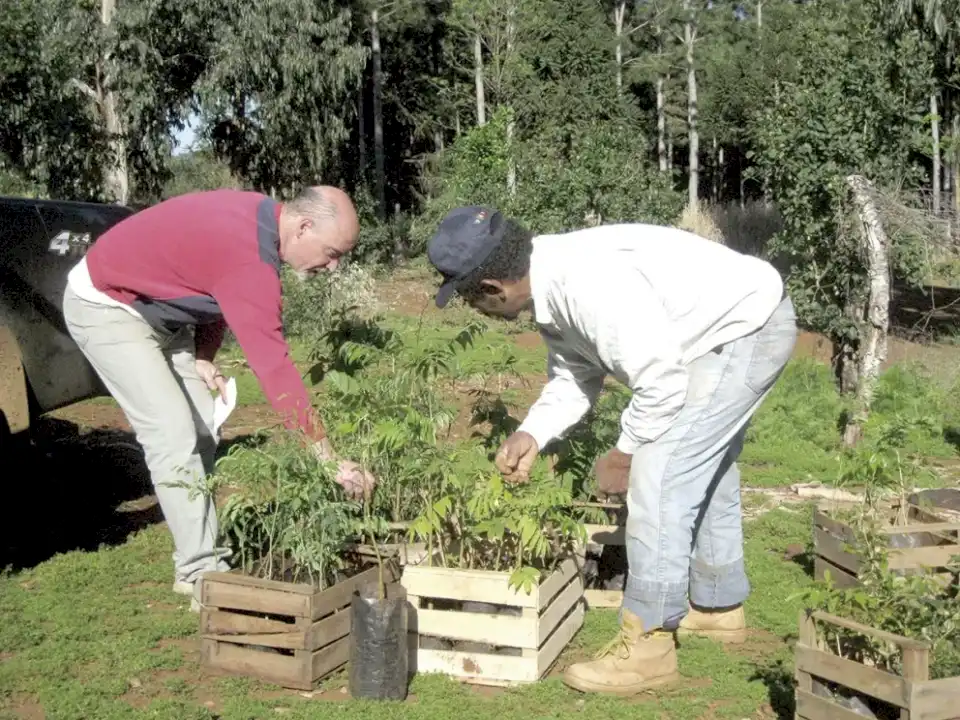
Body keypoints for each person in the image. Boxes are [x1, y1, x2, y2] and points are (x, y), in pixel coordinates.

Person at [425, 206, 797, 696]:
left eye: (472, 299)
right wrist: (532, 433)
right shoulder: (550, 282)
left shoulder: (587, 285)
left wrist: (624, 455)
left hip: (745, 328)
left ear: (494, 287)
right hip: (718, 330)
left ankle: (648, 647)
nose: (475, 310)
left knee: (660, 475)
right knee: (706, 464)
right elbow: (576, 375)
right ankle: (718, 606)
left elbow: (661, 384)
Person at [62, 186, 376, 610]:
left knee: (203, 427)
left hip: (160, 311)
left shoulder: (262, 221)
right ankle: (201, 574)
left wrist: (205, 357)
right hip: (106, 305)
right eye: (333, 252)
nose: (333, 266)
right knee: (171, 434)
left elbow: (214, 293)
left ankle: (196, 556)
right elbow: (274, 370)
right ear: (303, 227)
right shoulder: (248, 258)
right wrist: (327, 456)